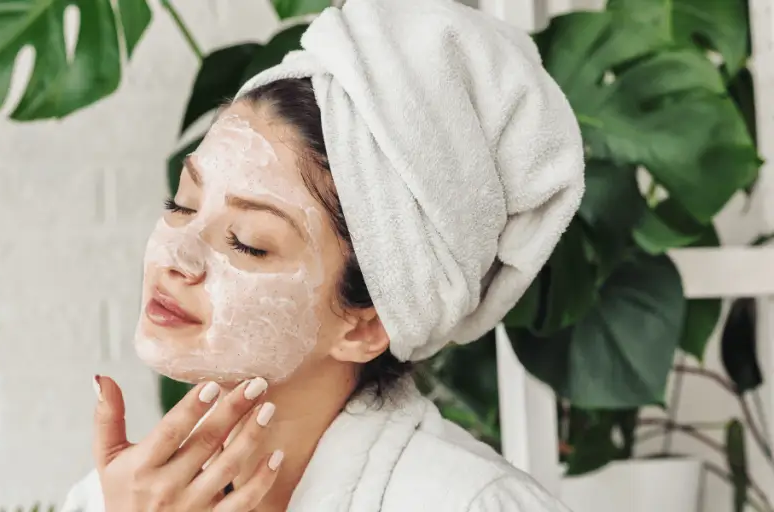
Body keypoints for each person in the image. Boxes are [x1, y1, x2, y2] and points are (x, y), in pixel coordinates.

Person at [63, 0, 584, 510]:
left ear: (365, 325)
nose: (176, 254)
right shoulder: (116, 498)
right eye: (182, 204)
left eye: (249, 240)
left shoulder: (474, 503)